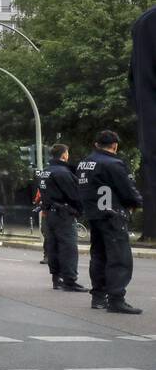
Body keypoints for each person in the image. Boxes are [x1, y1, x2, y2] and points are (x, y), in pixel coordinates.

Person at [78, 129, 143, 314]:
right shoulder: (114, 163)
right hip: (113, 215)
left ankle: (98, 297)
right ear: (114, 146)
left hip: (94, 216)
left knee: (98, 256)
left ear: (96, 144)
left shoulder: (84, 164)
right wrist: (136, 203)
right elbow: (128, 190)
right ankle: (116, 299)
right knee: (119, 258)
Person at [40, 143, 87, 292]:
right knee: (68, 247)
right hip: (63, 214)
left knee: (53, 246)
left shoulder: (45, 172)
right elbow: (74, 194)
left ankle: (56, 278)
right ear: (64, 155)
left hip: (49, 214)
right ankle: (70, 280)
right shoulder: (63, 172)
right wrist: (79, 210)